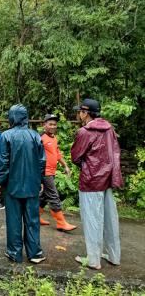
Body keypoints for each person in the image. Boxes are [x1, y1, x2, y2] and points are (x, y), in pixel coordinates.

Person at [71, 99, 123, 270]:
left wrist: (86, 167)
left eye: (80, 111)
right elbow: (115, 153)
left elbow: (75, 156)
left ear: (86, 113)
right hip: (107, 180)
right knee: (110, 218)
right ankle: (114, 256)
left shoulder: (84, 132)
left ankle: (93, 260)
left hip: (91, 181)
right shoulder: (110, 129)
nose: (79, 114)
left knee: (92, 219)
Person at [0, 104, 46, 264]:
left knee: (14, 220)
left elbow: (3, 161)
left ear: (12, 117)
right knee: (32, 220)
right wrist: (41, 180)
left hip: (13, 186)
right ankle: (35, 253)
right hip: (31, 185)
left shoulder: (6, 136)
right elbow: (42, 161)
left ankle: (15, 253)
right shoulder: (35, 135)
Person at [39, 114, 77, 231]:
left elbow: (57, 154)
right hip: (44, 172)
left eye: (54, 124)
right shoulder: (40, 139)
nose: (53, 126)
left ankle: (35, 217)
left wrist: (65, 166)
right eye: (50, 124)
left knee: (45, 196)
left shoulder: (54, 138)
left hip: (51, 171)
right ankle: (61, 223)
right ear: (44, 125)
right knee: (53, 196)